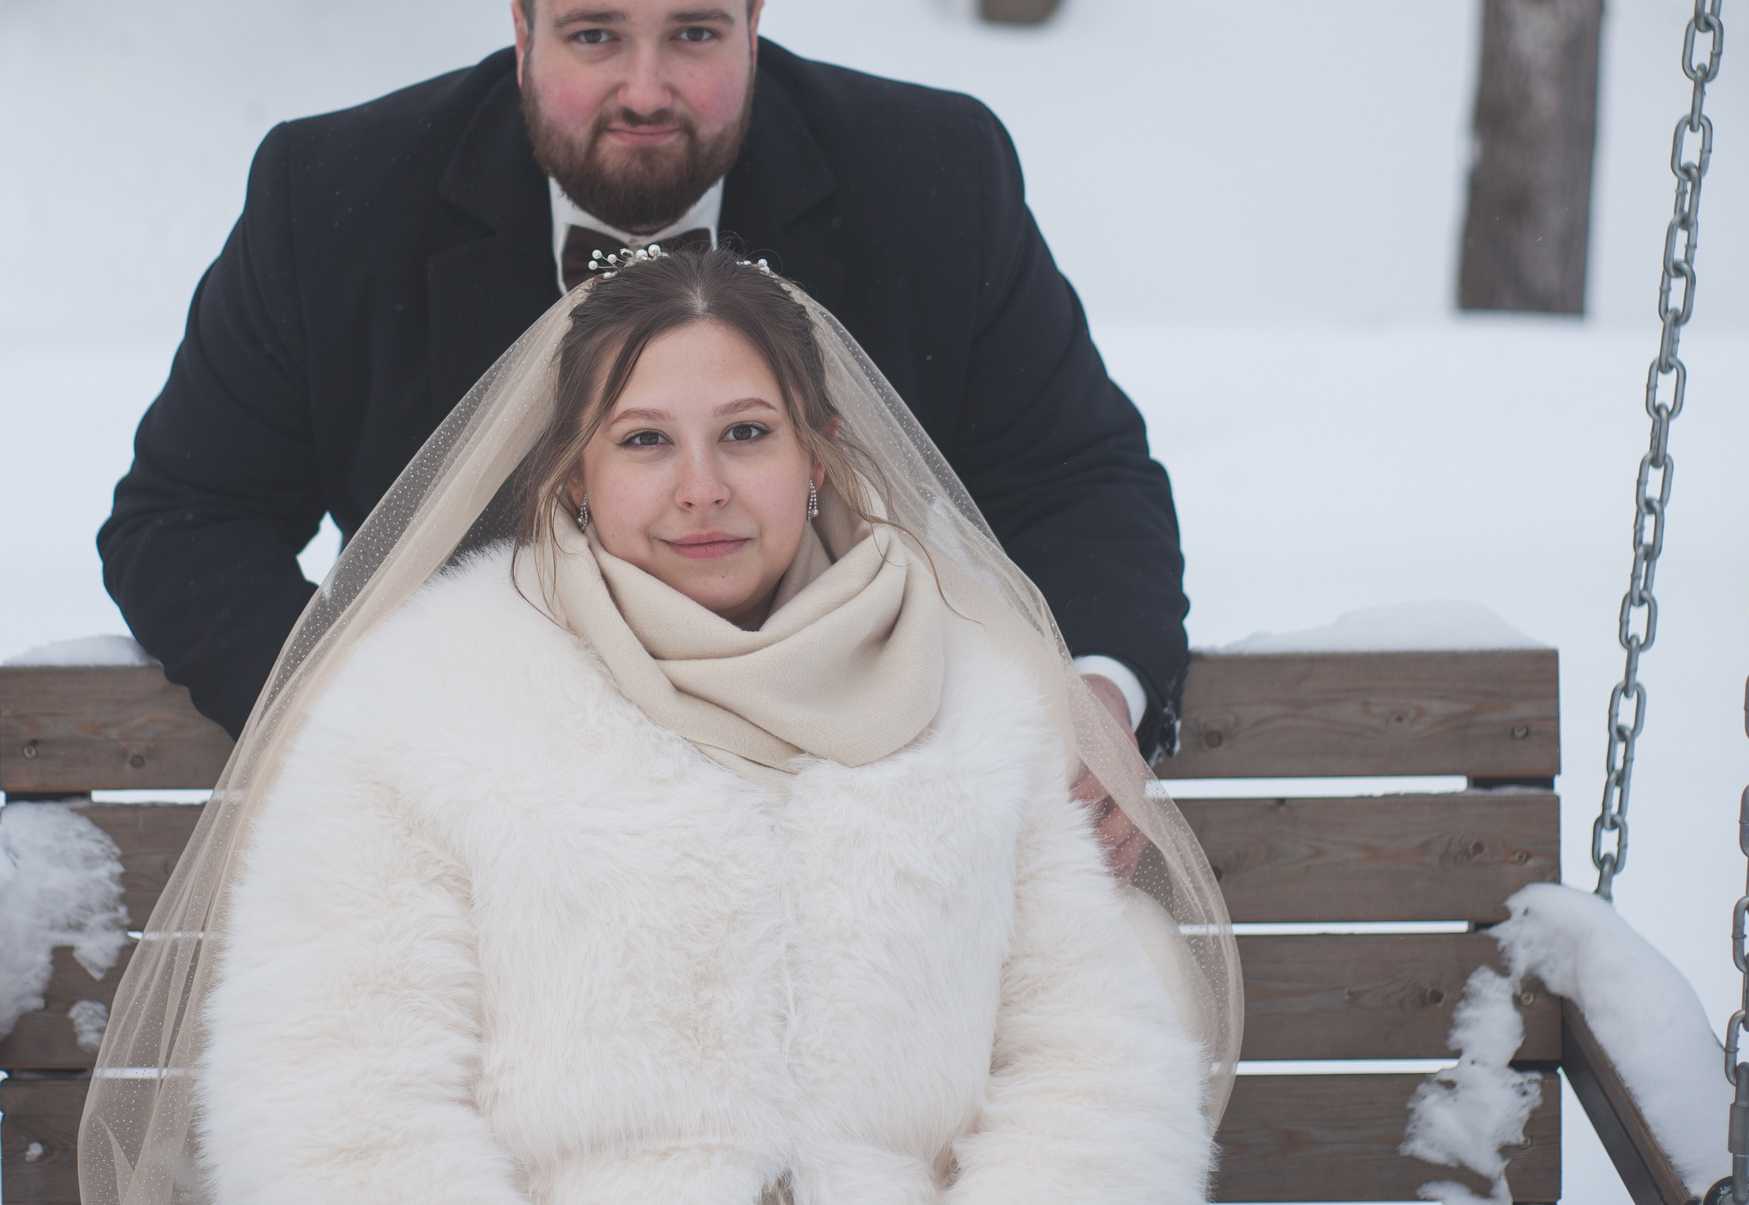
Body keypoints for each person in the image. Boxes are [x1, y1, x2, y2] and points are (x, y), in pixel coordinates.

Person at [80, 250, 1240, 1205]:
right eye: (643, 441)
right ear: (575, 474)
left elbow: (1092, 1063)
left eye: (745, 433)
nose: (701, 488)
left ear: (817, 450)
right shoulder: (425, 705)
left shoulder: (984, 701)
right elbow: (336, 1102)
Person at [99, 0, 1195, 762]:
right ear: (522, 36)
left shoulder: (929, 175)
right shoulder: (336, 198)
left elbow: (1074, 480)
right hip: (481, 810)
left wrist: (1097, 696)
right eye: (593, 37)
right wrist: (378, 726)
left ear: (753, 31)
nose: (645, 88)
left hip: (839, 793)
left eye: (694, 35)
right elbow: (187, 523)